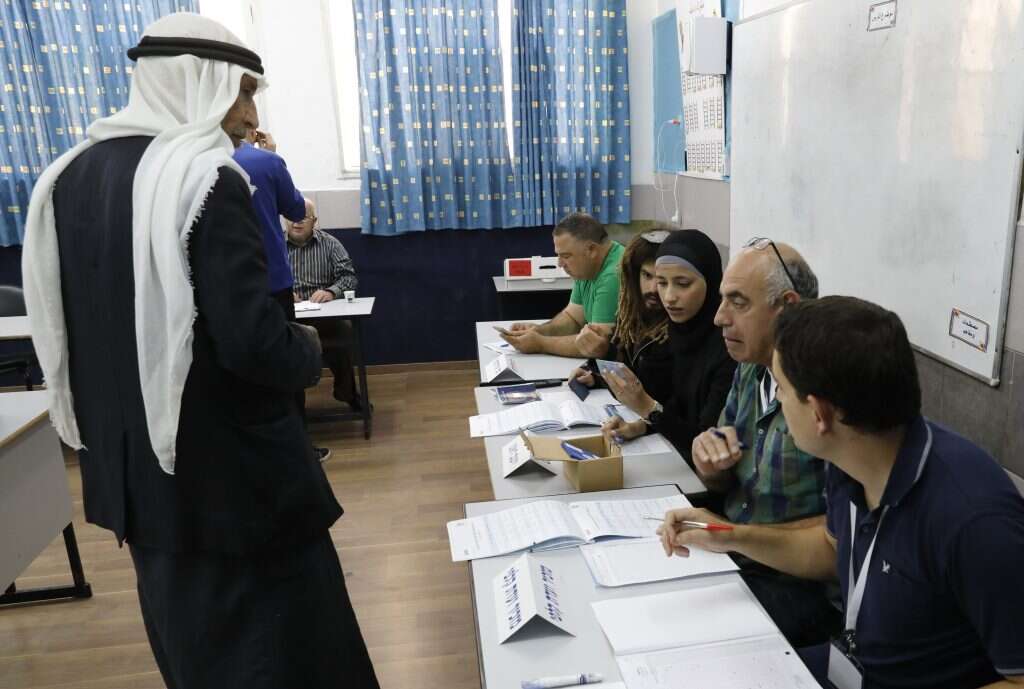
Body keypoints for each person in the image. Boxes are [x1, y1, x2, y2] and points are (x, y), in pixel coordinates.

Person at [21, 14, 378, 689]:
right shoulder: (206, 179)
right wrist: (307, 347)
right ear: (195, 81)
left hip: (141, 481)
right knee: (286, 652)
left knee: (194, 649)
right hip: (235, 486)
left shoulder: (67, 176)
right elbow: (251, 344)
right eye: (241, 92)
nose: (247, 115)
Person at [659, 297, 1024, 689]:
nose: (777, 400)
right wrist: (729, 536)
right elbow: (832, 550)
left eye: (780, 389)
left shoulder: (974, 520)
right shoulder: (851, 456)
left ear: (819, 413)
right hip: (852, 668)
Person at [689, 237, 837, 647]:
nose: (719, 317)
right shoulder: (750, 369)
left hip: (797, 584)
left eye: (738, 302)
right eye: (722, 300)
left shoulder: (826, 394)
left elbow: (845, 536)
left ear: (787, 307)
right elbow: (722, 479)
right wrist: (709, 462)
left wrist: (733, 535)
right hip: (741, 552)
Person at [233, 127, 335, 461]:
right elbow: (295, 209)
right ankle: (298, 450)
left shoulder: (191, 158)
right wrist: (274, 155)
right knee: (285, 367)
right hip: (271, 282)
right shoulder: (264, 162)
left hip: (221, 287)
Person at [598, 230, 737, 461]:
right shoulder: (679, 330)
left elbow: (707, 442)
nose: (669, 297)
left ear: (712, 282)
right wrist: (641, 426)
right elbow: (679, 410)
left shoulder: (728, 347)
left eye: (683, 284)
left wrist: (647, 407)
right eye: (662, 283)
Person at [571, 229, 674, 406]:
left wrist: (604, 353)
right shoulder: (633, 315)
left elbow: (654, 391)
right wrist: (598, 376)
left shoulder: (679, 328)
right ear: (633, 275)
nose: (654, 288)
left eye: (663, 279)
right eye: (647, 275)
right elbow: (632, 374)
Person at [500, 213, 623, 357]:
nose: (560, 263)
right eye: (559, 255)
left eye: (566, 256)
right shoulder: (587, 268)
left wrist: (540, 343)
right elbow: (573, 318)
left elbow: (594, 345)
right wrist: (539, 331)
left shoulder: (614, 274)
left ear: (592, 250)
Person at [288, 197, 361, 409]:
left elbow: (349, 277)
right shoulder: (273, 246)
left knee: (344, 332)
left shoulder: (330, 244)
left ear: (314, 220)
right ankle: (291, 407)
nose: (296, 222)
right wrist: (281, 293)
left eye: (303, 217)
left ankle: (347, 394)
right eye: (291, 217)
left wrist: (331, 291)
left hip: (324, 317)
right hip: (289, 318)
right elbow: (261, 279)